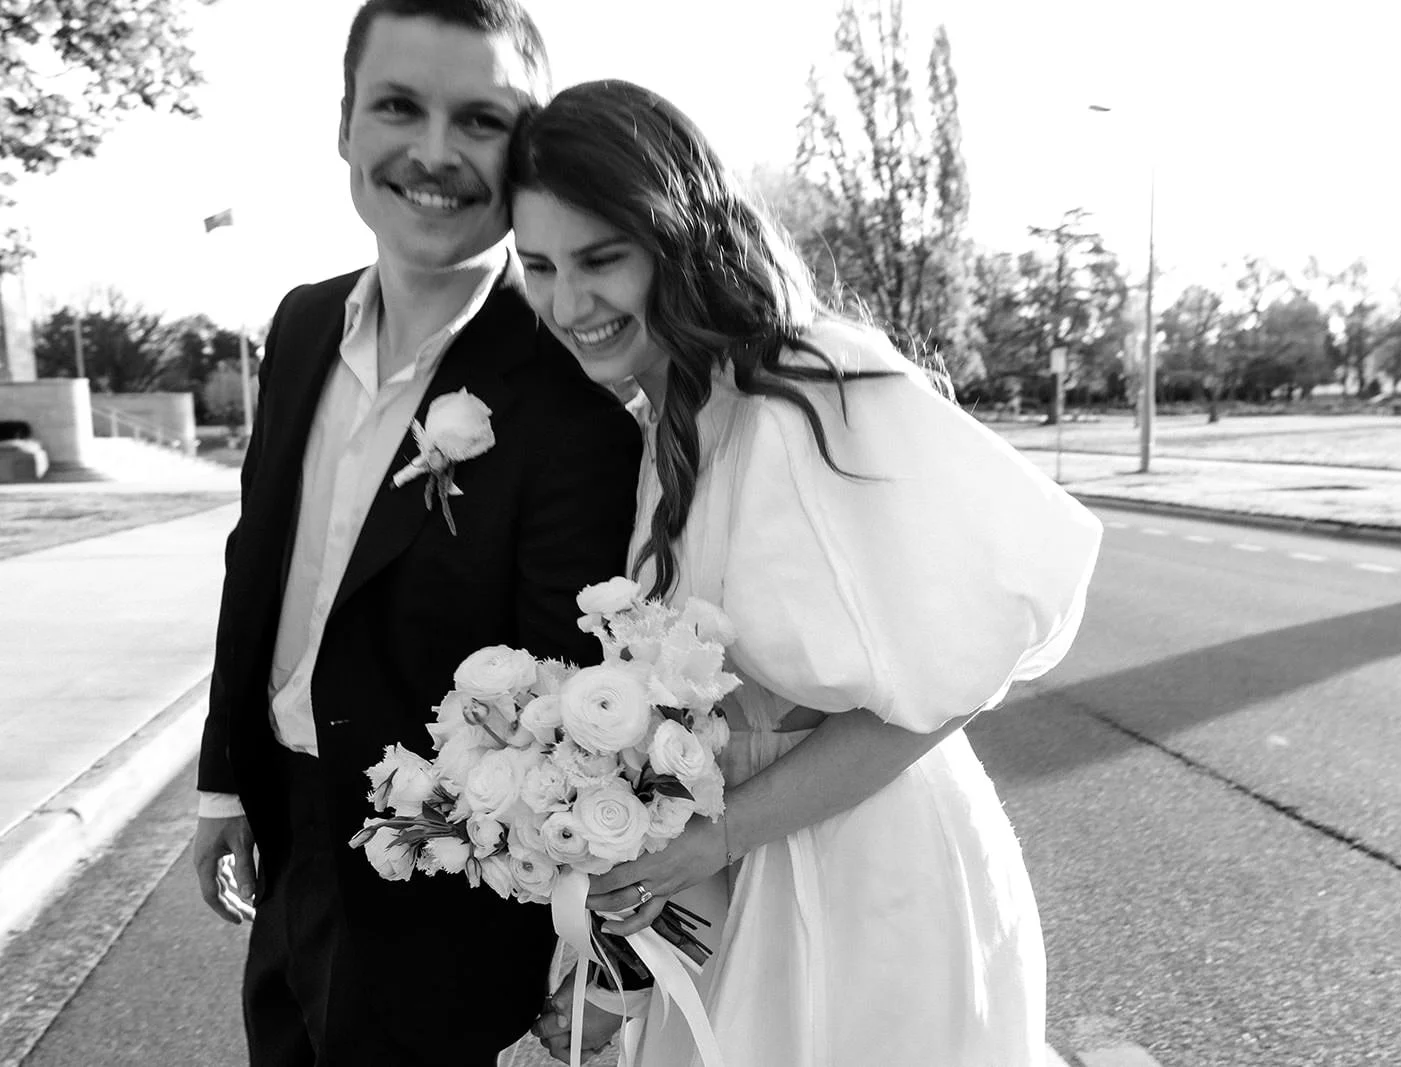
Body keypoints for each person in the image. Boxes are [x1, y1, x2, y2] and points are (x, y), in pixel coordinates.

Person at [511, 80, 1103, 1066]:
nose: (568, 303)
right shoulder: (664, 423)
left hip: (871, 884)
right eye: (539, 266)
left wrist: (717, 836)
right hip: (736, 879)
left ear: (675, 237)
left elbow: (952, 684)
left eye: (601, 259)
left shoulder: (805, 388)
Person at [189, 5, 642, 1064]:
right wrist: (224, 782)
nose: (434, 153)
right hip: (285, 830)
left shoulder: (573, 400)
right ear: (345, 124)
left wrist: (585, 957)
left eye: (479, 119)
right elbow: (256, 564)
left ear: (524, 151)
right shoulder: (301, 324)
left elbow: (567, 709)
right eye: (398, 106)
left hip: (437, 904)